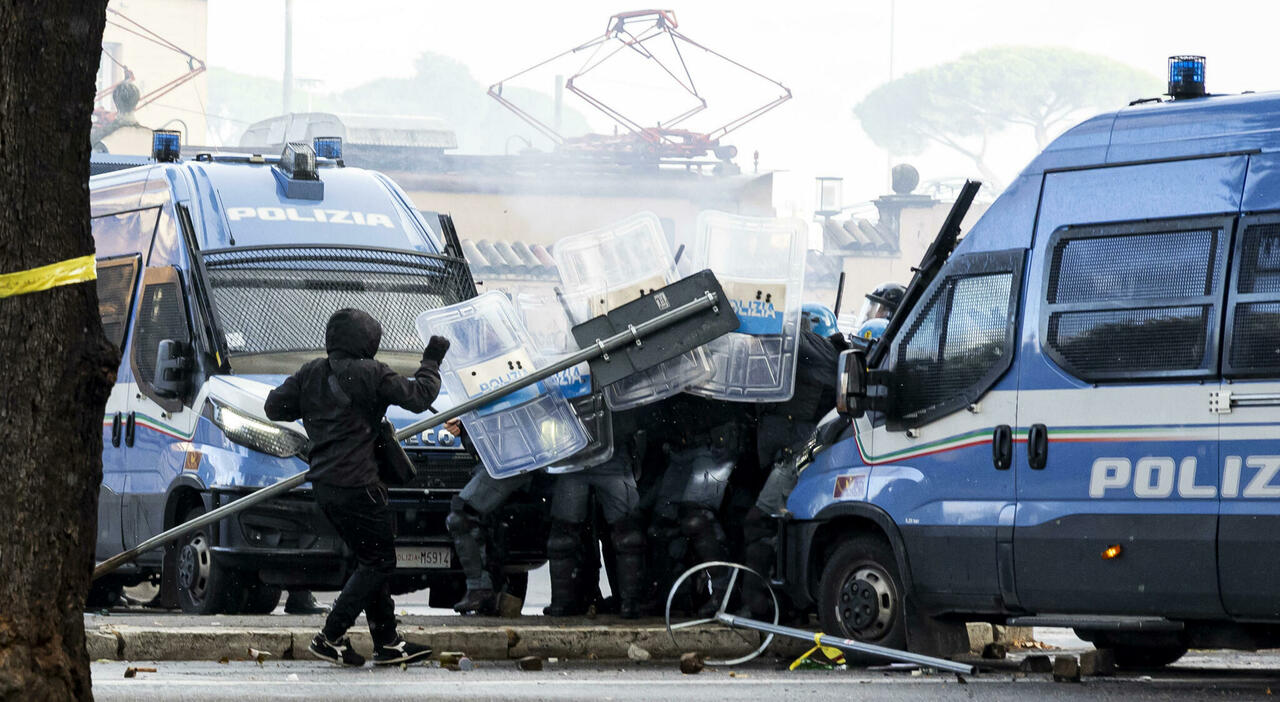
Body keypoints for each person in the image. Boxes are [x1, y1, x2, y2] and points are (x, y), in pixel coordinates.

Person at [264, 307, 448, 667]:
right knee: (380, 562)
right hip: (361, 485)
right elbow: (420, 396)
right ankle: (330, 635)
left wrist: (315, 409)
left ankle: (387, 642)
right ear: (368, 342)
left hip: (325, 487)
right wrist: (432, 359)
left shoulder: (312, 372)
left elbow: (274, 407)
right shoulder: (372, 373)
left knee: (369, 561)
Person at [544, 411, 647, 619]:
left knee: (627, 537)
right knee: (562, 540)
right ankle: (564, 602)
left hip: (608, 448)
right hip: (573, 452)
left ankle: (630, 602)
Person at [443, 417, 537, 615]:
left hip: (511, 461)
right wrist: (466, 427)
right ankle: (489, 593)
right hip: (505, 461)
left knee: (462, 515)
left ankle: (481, 589)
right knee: (486, 523)